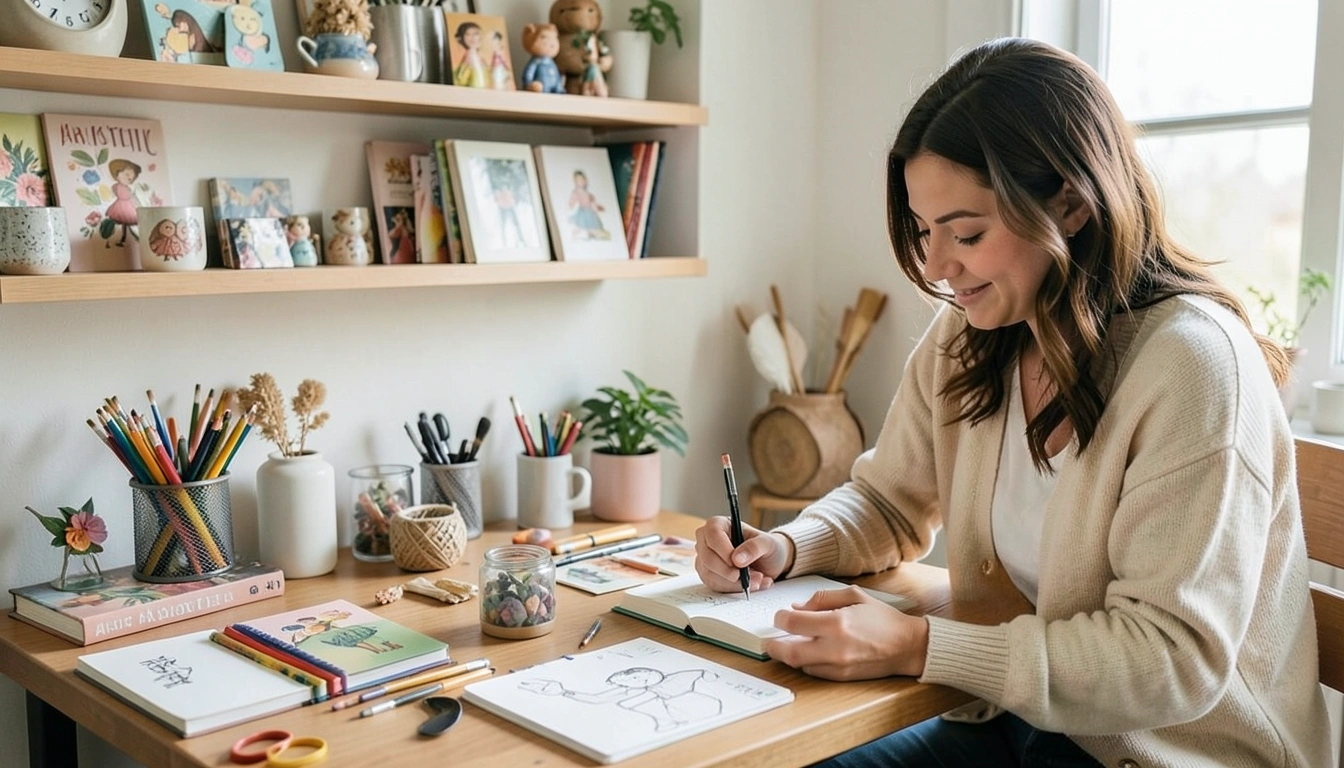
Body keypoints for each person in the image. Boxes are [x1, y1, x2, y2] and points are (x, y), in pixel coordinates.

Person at [694, 38, 1330, 767]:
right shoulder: (973, 334)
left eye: (967, 233)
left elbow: (1170, 658)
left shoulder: (1195, 366)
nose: (935, 267)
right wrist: (783, 547)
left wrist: (920, 645)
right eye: (925, 231)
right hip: (1012, 724)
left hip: (1161, 754)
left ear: (1070, 200)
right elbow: (890, 502)